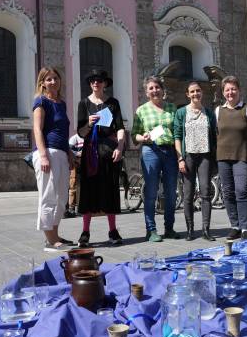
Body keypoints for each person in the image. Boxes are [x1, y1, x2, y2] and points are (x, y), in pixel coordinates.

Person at [76, 69, 126, 247]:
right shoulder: (83, 104)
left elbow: (120, 127)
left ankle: (113, 231)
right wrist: (88, 124)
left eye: (99, 80)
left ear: (105, 83)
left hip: (109, 152)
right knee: (88, 191)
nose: (95, 83)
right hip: (90, 152)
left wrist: (120, 147)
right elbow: (80, 133)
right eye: (92, 80)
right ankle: (85, 232)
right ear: (90, 84)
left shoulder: (113, 103)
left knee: (111, 190)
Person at [31, 67, 75, 252]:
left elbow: (63, 132)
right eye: (48, 79)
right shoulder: (40, 101)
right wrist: (43, 156)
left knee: (61, 197)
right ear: (42, 83)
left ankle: (55, 235)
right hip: (47, 152)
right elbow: (37, 129)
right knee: (48, 196)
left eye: (55, 78)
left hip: (62, 153)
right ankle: (50, 240)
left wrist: (69, 153)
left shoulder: (61, 103)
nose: (53, 82)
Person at [131, 76, 180, 242]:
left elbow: (178, 132)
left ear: (162, 89)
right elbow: (133, 135)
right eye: (151, 88)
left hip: (170, 152)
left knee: (171, 192)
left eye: (157, 87)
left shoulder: (172, 108)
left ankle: (169, 228)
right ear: (146, 92)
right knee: (151, 191)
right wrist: (142, 137)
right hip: (150, 151)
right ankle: (151, 230)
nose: (155, 90)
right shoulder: (141, 110)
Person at [215, 75, 247, 240]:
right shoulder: (218, 110)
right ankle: (234, 226)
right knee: (227, 193)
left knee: (241, 191)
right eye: (227, 89)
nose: (230, 92)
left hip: (241, 156)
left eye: (233, 89)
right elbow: (216, 133)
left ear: (239, 90)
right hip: (222, 157)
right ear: (223, 92)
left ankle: (245, 227)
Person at [174, 81, 218, 242]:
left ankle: (206, 230)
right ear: (187, 94)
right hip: (188, 156)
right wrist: (180, 158)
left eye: (198, 91)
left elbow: (215, 135)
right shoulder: (181, 113)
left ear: (202, 93)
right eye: (192, 92)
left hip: (205, 156)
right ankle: (190, 230)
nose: (195, 94)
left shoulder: (209, 113)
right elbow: (177, 136)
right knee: (188, 194)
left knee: (206, 192)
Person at [64, 133, 83, 218]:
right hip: (75, 163)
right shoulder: (74, 138)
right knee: (73, 185)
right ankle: (71, 207)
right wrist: (78, 153)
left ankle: (81, 206)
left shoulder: (88, 137)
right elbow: (69, 150)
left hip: (85, 163)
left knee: (82, 186)